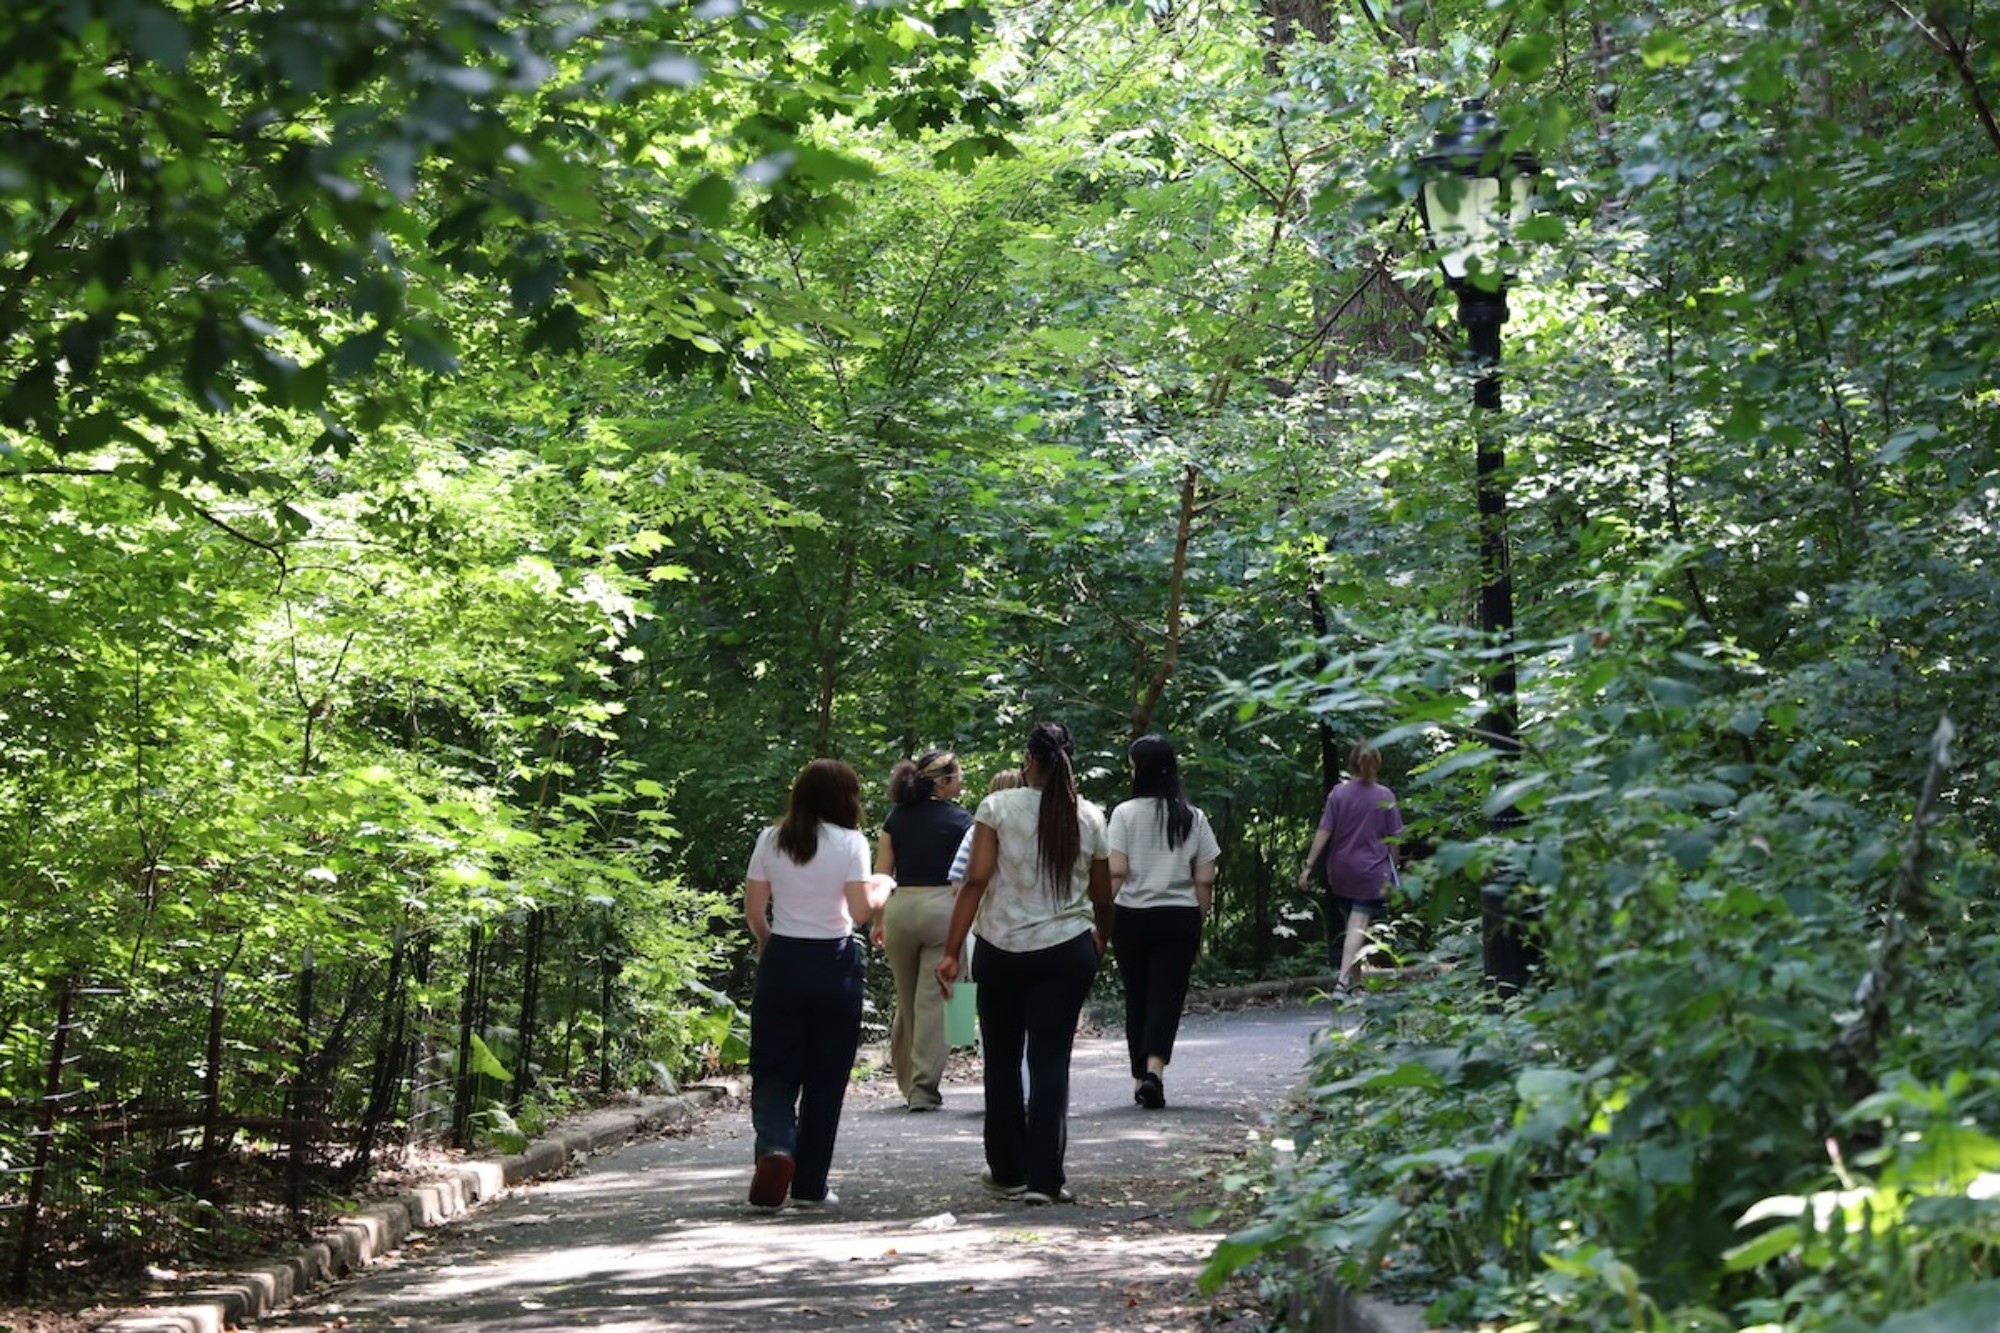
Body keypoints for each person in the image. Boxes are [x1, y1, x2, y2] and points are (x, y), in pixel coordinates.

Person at [936, 724, 1111, 1206]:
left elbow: (975, 881)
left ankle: (1008, 1171)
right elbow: (1102, 895)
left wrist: (952, 951)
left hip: (1000, 947)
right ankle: (1044, 1179)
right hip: (1066, 948)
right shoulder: (1091, 816)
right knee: (1050, 1060)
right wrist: (1100, 939)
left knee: (1003, 1057)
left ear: (1028, 760)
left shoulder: (997, 807)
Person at [743, 759, 893, 1209]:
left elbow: (754, 910)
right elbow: (862, 912)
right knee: (826, 1077)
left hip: (784, 958)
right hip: (835, 962)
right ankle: (810, 1185)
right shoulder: (851, 842)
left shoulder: (771, 839)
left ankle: (774, 1145)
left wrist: (769, 943)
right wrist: (884, 886)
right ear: (845, 799)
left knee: (772, 1067)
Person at [1107, 735, 1221, 1110]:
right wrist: (1197, 921)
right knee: (1166, 997)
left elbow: (1117, 872)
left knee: (1137, 995)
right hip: (1179, 917)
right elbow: (1205, 878)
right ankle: (1155, 1072)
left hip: (1132, 917)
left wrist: (1101, 919)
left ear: (1138, 769)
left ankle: (1139, 1077)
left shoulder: (1124, 813)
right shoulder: (1193, 816)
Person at [874, 750, 972, 1111]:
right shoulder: (962, 820)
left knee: (907, 998)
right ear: (943, 781)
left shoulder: (895, 819)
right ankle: (923, 1089)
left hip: (901, 907)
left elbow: (883, 873)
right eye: (957, 776)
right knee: (936, 998)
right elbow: (969, 877)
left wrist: (879, 920)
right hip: (942, 909)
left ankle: (907, 1081)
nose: (960, 782)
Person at [1296, 742, 1404, 995]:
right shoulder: (1385, 796)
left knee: (1352, 928)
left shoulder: (1338, 794)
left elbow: (1324, 830)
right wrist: (1395, 869)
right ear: (1377, 763)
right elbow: (1394, 840)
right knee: (1358, 926)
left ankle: (1356, 986)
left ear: (1353, 762)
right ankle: (1343, 983)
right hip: (1371, 871)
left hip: (1341, 870)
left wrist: (1309, 866)